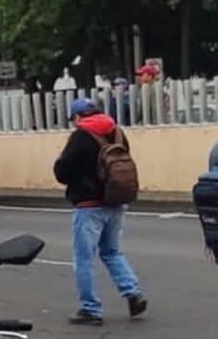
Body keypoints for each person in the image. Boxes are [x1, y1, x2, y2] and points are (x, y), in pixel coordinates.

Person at [53, 98, 148, 325]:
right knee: (112, 252)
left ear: (78, 116)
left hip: (89, 205)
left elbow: (63, 172)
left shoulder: (80, 136)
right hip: (116, 200)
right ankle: (133, 293)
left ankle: (90, 309)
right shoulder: (117, 133)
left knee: (84, 258)